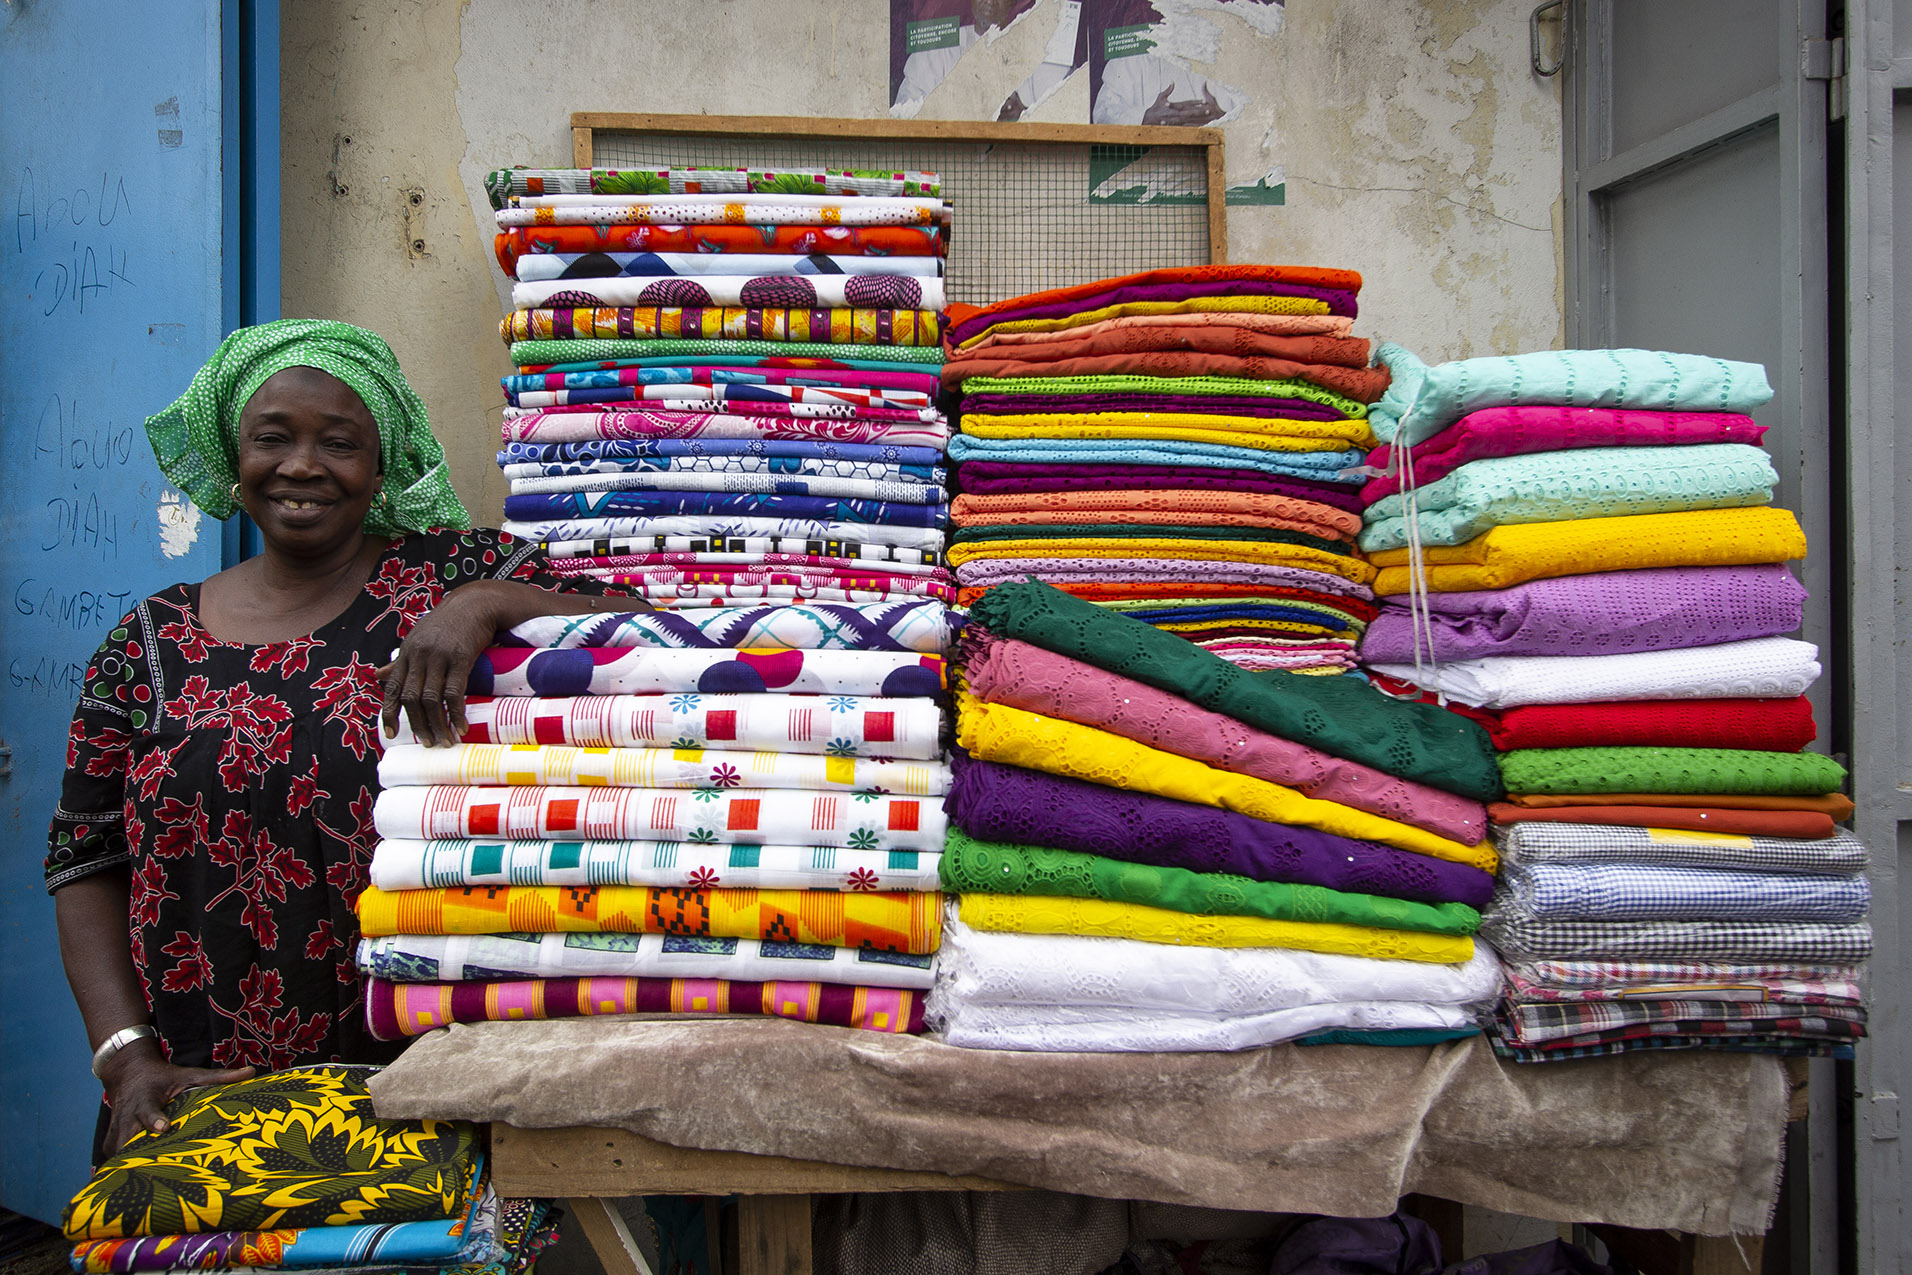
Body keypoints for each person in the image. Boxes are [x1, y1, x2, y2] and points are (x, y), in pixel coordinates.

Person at [47, 320, 636, 1156]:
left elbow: (654, 634)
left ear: (383, 461)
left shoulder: (447, 576)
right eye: (273, 438)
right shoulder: (147, 643)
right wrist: (125, 1059)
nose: (302, 465)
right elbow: (84, 860)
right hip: (190, 1099)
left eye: (340, 441)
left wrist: (487, 606)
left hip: (419, 1084)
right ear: (232, 450)